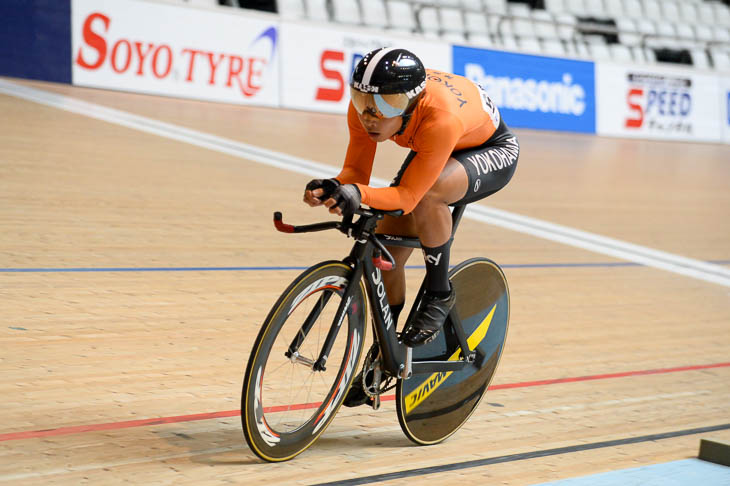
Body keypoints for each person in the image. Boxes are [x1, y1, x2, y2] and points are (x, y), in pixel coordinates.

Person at [303, 47, 519, 352]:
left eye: (384, 105)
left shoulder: (438, 119)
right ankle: (385, 352)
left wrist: (357, 194)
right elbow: (356, 172)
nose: (369, 115)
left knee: (429, 197)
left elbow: (407, 197)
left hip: (489, 148)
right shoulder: (365, 112)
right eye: (362, 100)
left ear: (410, 103)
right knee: (384, 260)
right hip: (437, 143)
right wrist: (336, 186)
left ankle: (439, 292)